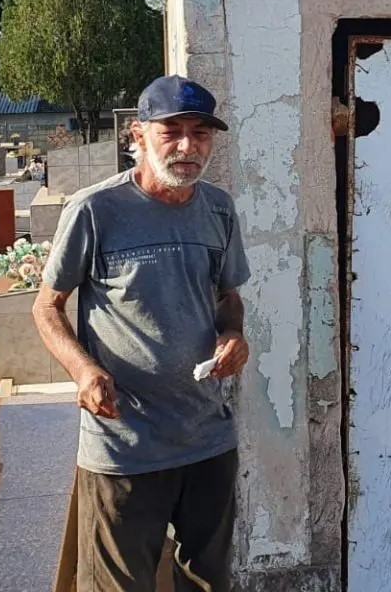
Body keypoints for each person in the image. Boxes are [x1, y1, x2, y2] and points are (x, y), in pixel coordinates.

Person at [33, 75, 251, 592]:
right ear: (137, 136)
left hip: (206, 437)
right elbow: (47, 307)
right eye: (170, 131)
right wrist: (83, 370)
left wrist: (233, 336)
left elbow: (229, 297)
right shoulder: (95, 210)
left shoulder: (218, 210)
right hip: (124, 444)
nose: (186, 146)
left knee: (208, 579)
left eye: (200, 134)